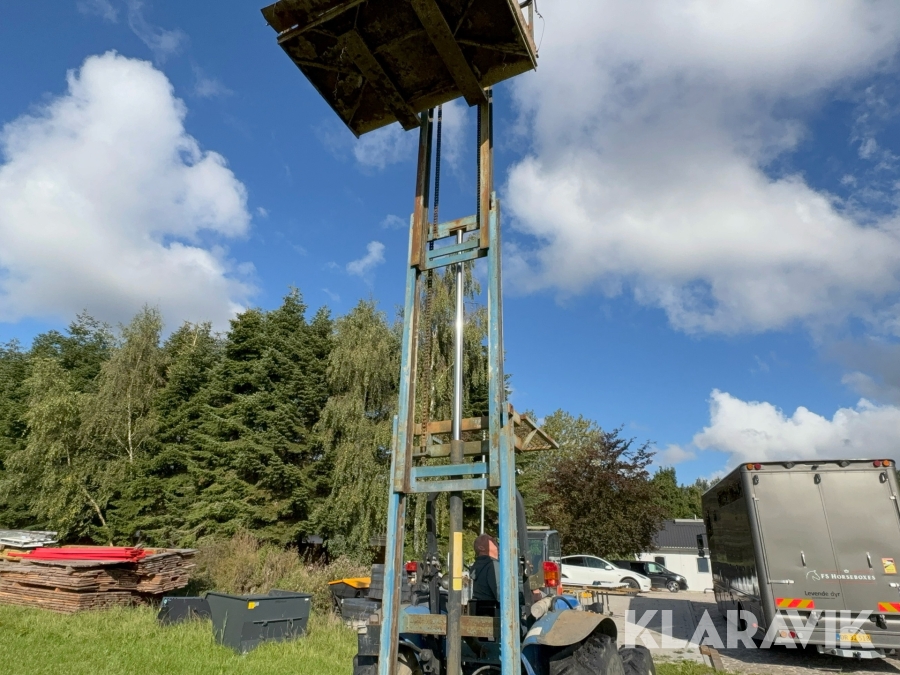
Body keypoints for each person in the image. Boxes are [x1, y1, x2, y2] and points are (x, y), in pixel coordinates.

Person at [470, 533, 499, 616]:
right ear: (481, 548)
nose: (495, 541)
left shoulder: (477, 567)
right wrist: (523, 596)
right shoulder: (493, 566)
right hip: (496, 616)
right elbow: (503, 596)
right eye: (491, 540)